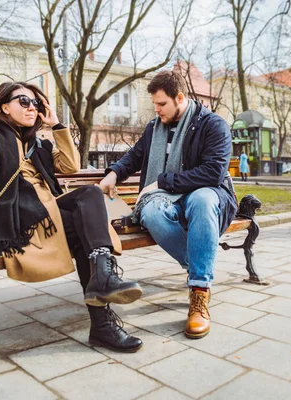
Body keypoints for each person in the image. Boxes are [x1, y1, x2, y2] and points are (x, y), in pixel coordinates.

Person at [0, 81, 143, 352]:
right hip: (19, 216)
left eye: (36, 104)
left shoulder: (38, 144)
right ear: (3, 106)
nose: (32, 108)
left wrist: (58, 126)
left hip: (49, 210)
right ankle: (102, 322)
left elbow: (70, 165)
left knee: (91, 195)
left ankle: (102, 285)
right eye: (23, 102)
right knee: (87, 231)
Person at [99, 71, 237, 339]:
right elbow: (135, 156)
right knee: (149, 210)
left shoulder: (213, 125)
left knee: (201, 198)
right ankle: (200, 264)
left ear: (180, 98)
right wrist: (114, 173)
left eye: (162, 104)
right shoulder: (154, 128)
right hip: (168, 200)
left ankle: (199, 293)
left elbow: (212, 174)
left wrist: (162, 182)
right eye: (155, 104)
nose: (157, 110)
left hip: (209, 193)